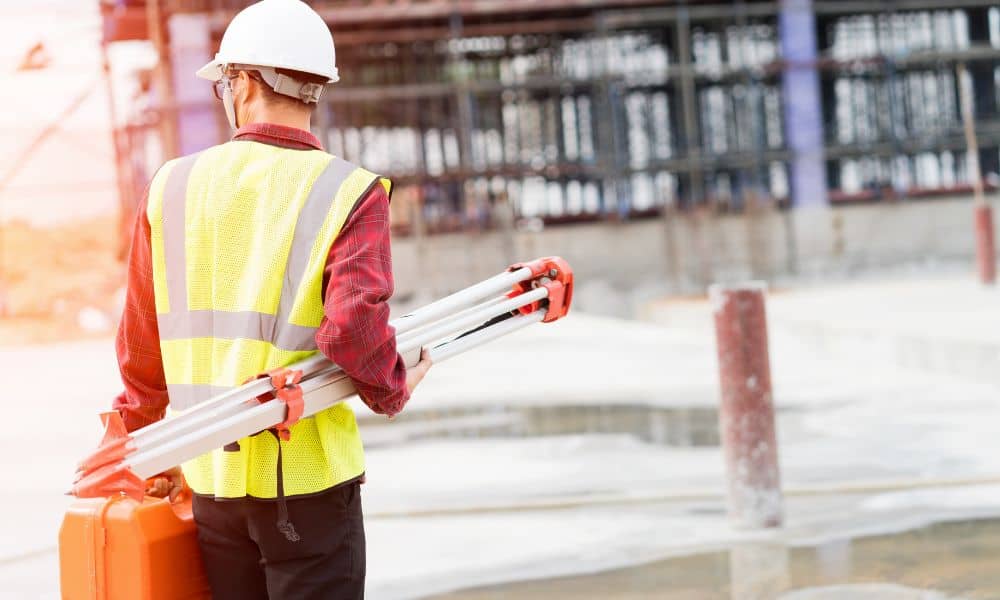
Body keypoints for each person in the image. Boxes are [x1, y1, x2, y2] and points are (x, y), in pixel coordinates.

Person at [111, 1, 432, 598]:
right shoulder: (349, 191)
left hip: (213, 483)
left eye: (226, 81)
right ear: (314, 87)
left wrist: (135, 438)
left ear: (246, 81)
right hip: (308, 486)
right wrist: (394, 384)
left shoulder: (171, 187)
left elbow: (141, 344)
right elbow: (352, 329)